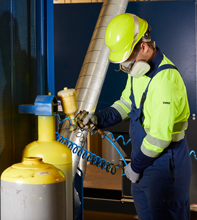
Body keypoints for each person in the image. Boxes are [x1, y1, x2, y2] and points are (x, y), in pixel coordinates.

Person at [79, 13, 192, 220]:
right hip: (144, 158)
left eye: (128, 60)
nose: (126, 67)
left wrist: (135, 166)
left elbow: (159, 139)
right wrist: (98, 118)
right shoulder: (139, 74)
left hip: (165, 163)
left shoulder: (164, 83)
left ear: (144, 47)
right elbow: (126, 104)